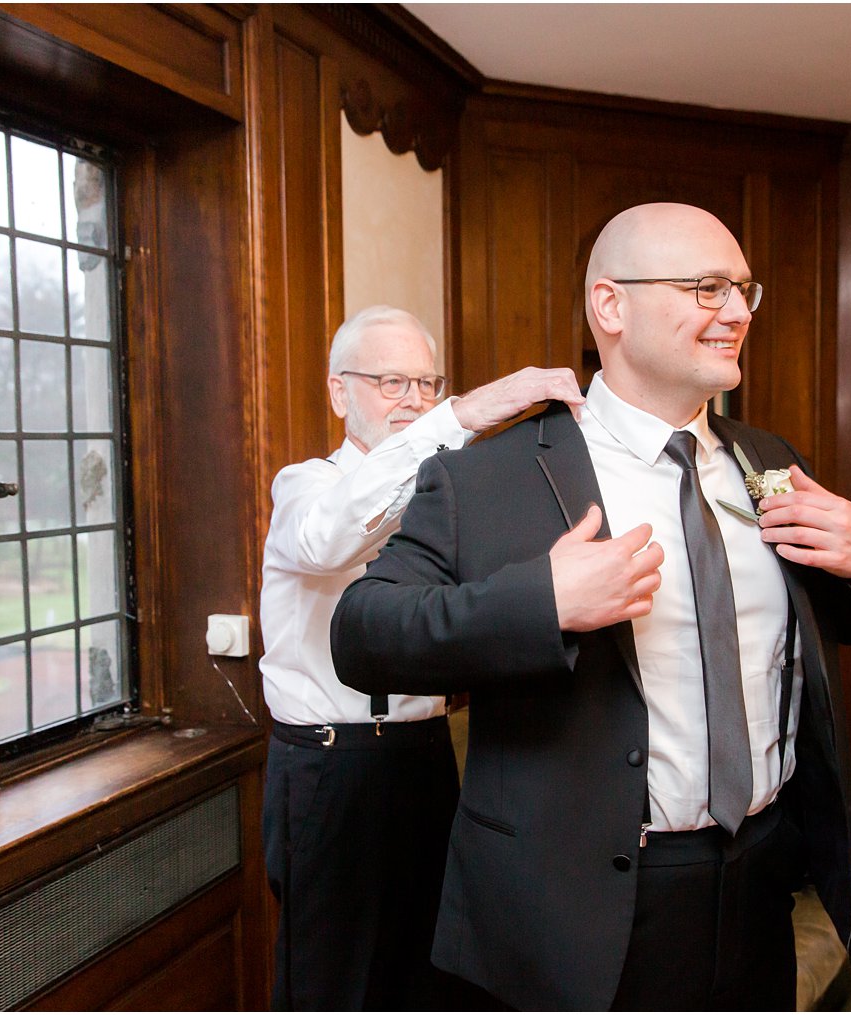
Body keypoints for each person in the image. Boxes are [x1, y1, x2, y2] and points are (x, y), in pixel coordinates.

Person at [330, 205, 851, 1011]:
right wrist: (545, 602)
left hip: (757, 883)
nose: (739, 312)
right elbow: (363, 632)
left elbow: (842, 622)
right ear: (611, 305)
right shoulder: (492, 477)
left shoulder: (767, 460)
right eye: (708, 287)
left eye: (745, 289)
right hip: (581, 909)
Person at [258, 304, 583, 1011]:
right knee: (331, 984)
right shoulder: (303, 487)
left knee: (435, 975)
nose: (413, 400)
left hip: (427, 758)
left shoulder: (453, 500)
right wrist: (459, 417)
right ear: (340, 392)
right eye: (390, 382)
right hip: (328, 770)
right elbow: (330, 539)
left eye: (427, 384)